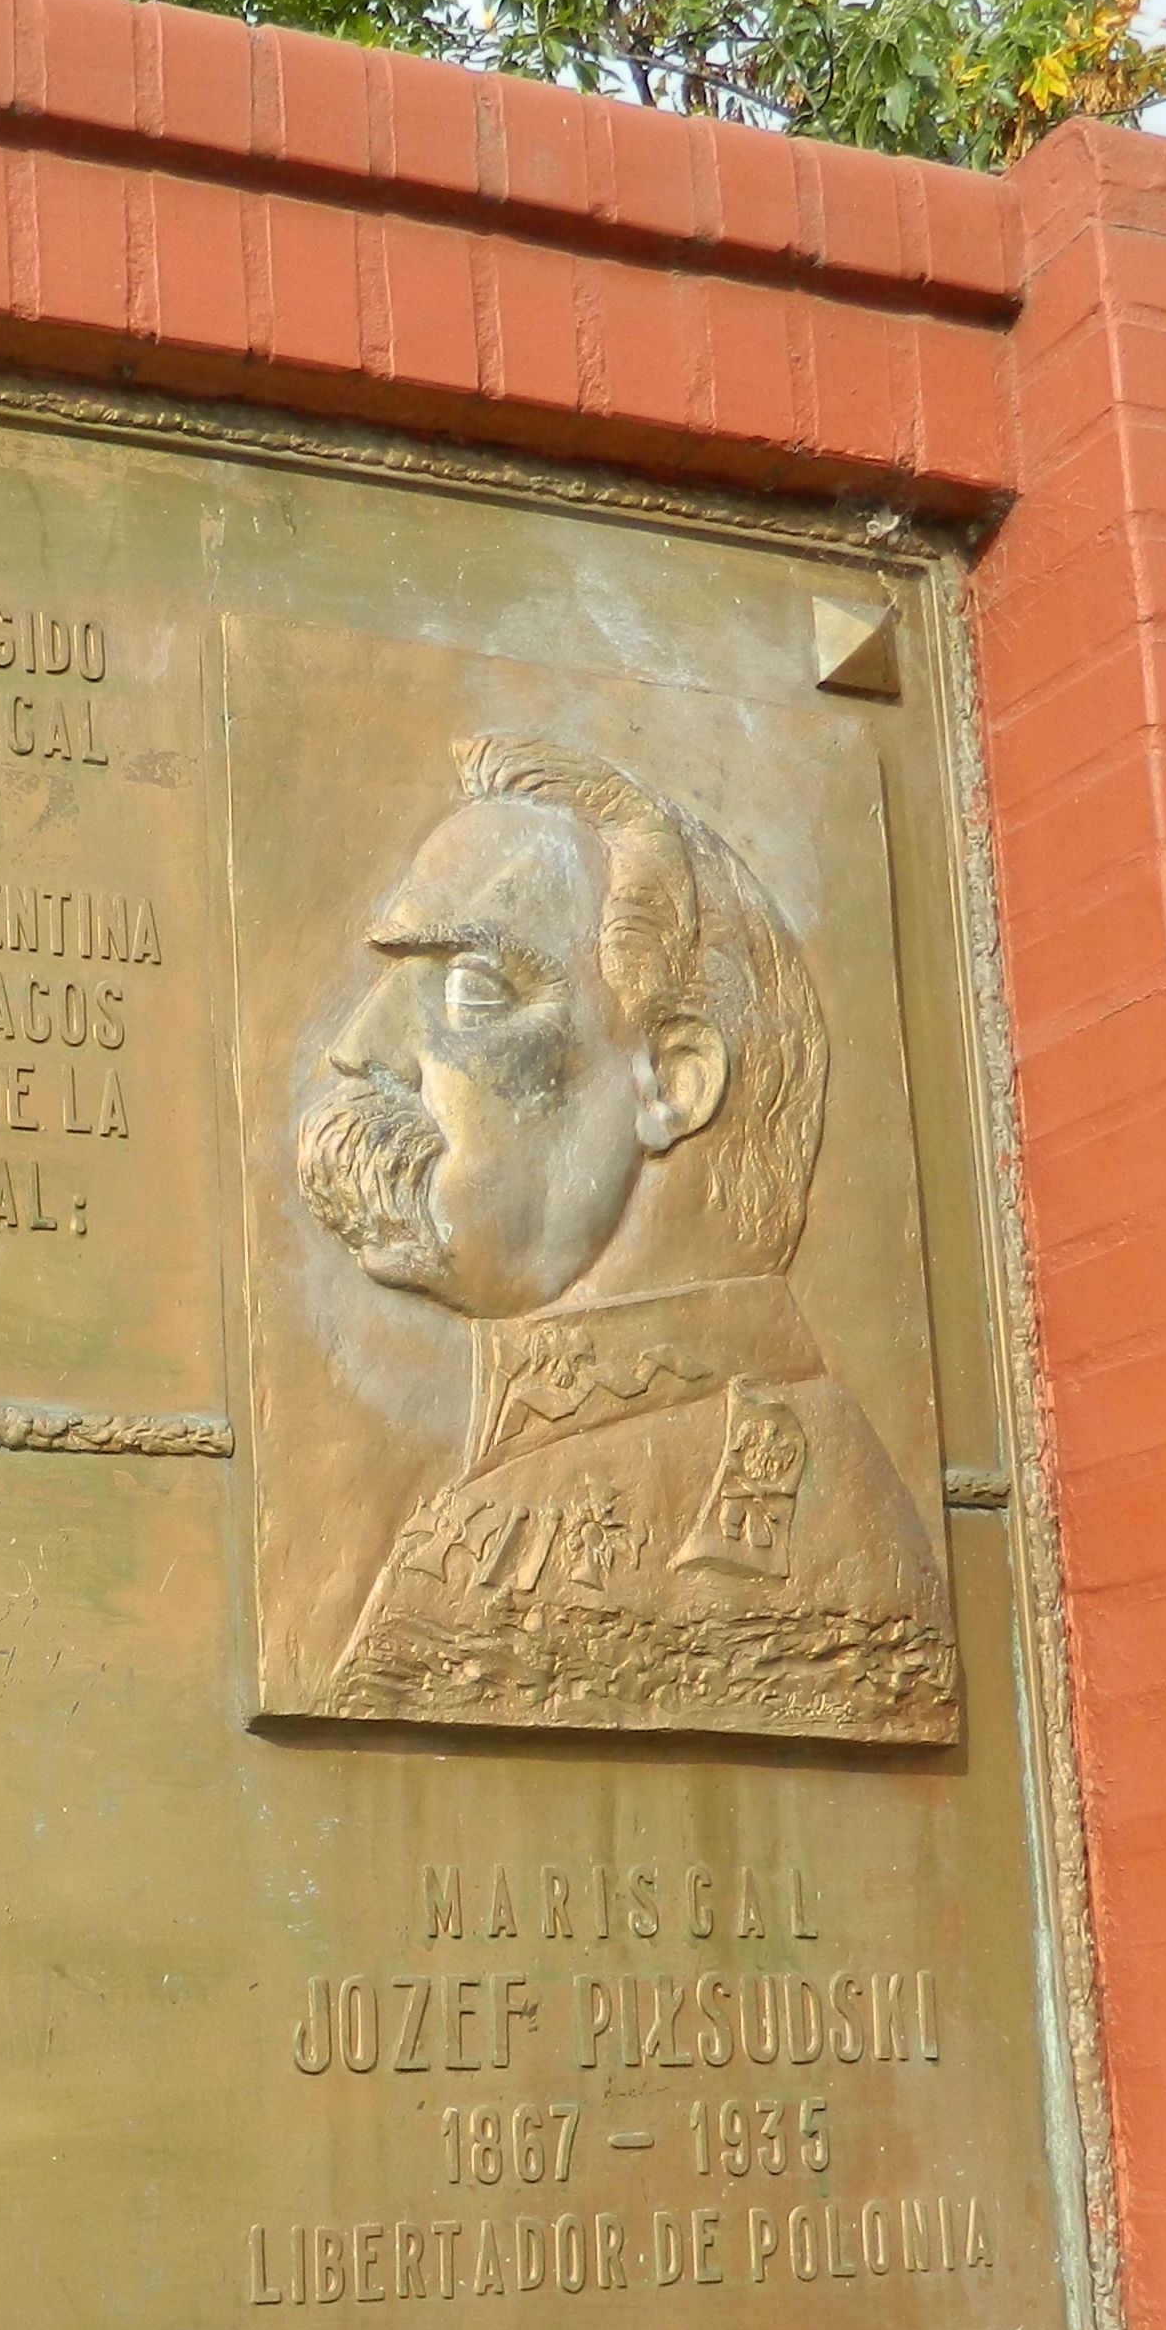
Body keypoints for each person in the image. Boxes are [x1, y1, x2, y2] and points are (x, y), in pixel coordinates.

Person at [292, 733, 957, 1741]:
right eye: (394, 987)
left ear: (671, 1082)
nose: (358, 1052)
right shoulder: (525, 1488)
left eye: (477, 988)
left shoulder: (785, 1543)